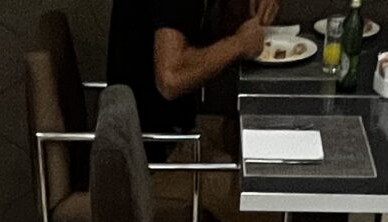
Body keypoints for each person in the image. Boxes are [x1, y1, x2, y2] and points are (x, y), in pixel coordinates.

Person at [107, 0, 281, 140]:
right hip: (155, 148)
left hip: (169, 127)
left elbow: (218, 29)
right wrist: (240, 44)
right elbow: (171, 79)